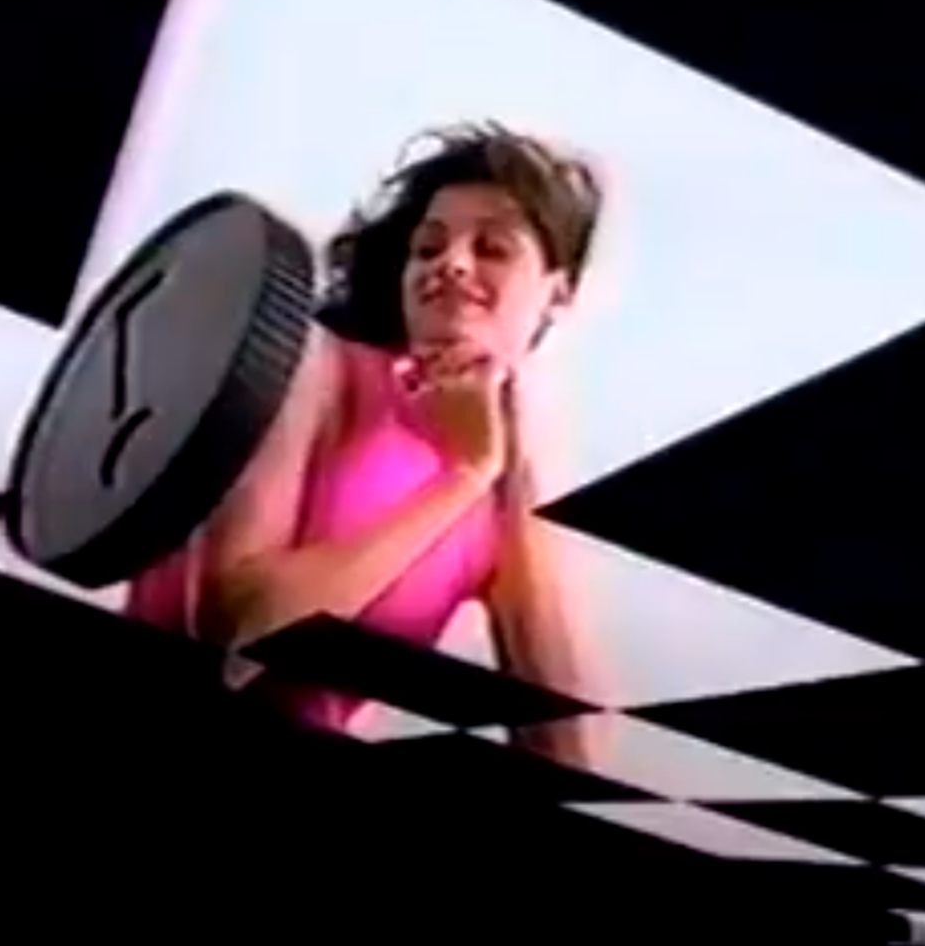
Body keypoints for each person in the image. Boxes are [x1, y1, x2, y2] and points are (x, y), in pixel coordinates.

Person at [126, 121, 604, 770]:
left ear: (559, 293)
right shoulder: (314, 368)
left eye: (493, 247)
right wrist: (463, 475)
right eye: (428, 247)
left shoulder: (506, 492)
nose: (451, 263)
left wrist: (515, 468)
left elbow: (565, 752)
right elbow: (243, 637)